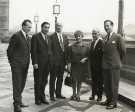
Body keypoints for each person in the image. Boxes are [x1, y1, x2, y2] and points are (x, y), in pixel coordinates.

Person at [100, 20, 126, 109]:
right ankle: (108, 99)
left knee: (113, 85)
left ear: (112, 26)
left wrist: (118, 61)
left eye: (107, 25)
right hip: (105, 65)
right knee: (107, 85)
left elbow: (123, 51)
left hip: (114, 66)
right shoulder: (105, 37)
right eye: (105, 26)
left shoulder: (118, 37)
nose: (106, 27)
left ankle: (113, 102)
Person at [7, 19, 32, 112]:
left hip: (25, 65)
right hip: (17, 65)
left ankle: (19, 101)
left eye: (31, 27)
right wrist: (12, 63)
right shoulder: (16, 36)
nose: (30, 29)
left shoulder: (28, 37)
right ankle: (16, 105)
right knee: (17, 84)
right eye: (29, 27)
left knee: (22, 84)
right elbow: (9, 51)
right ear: (23, 26)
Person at [31, 22, 51, 105]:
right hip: (39, 64)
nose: (47, 29)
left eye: (48, 27)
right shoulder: (36, 37)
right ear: (41, 27)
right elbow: (33, 51)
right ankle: (37, 99)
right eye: (45, 27)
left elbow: (50, 51)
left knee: (44, 81)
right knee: (38, 81)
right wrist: (34, 62)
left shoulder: (49, 38)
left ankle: (42, 97)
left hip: (47, 64)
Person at [49, 23, 69, 101]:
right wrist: (52, 61)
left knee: (60, 79)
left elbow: (67, 50)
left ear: (62, 27)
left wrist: (67, 62)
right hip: (54, 63)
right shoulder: (51, 37)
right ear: (55, 27)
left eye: (60, 26)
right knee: (53, 79)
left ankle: (58, 94)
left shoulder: (65, 37)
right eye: (57, 26)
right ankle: (51, 95)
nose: (59, 28)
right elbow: (50, 50)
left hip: (62, 62)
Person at [68, 30, 88, 102]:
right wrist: (68, 65)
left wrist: (85, 58)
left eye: (79, 36)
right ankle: (73, 94)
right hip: (74, 65)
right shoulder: (71, 46)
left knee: (80, 80)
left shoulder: (86, 47)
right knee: (73, 80)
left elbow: (88, 56)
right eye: (76, 36)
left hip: (81, 66)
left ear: (82, 37)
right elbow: (69, 57)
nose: (78, 37)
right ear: (75, 37)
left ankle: (78, 94)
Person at [88, 29, 104, 102]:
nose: (93, 35)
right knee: (93, 81)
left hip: (100, 66)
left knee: (100, 82)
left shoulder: (102, 42)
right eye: (92, 33)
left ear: (99, 34)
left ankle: (99, 96)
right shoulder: (92, 42)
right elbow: (91, 54)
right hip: (93, 66)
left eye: (95, 33)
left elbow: (103, 55)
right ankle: (93, 95)